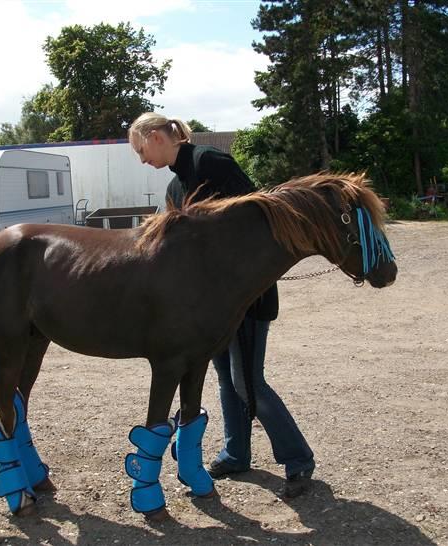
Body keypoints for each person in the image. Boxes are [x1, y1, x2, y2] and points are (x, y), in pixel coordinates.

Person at [128, 112, 315, 498]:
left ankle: (297, 458)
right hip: (206, 308)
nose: (141, 158)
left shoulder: (210, 163)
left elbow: (264, 216)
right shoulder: (175, 188)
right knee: (228, 381)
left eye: (139, 148)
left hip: (247, 297)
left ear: (155, 136)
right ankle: (236, 453)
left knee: (248, 382)